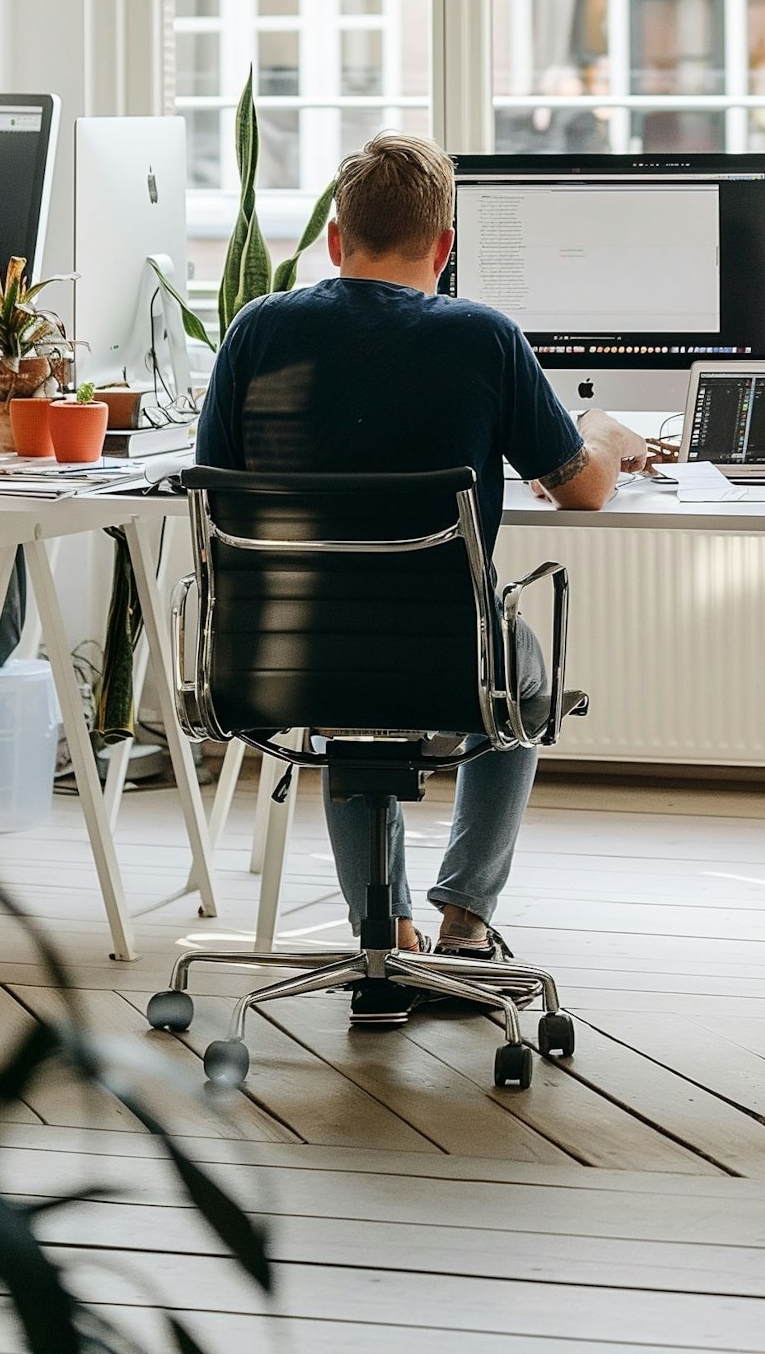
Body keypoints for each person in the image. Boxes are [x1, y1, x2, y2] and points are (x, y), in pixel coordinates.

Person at [196, 132, 647, 1020]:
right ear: (443, 251)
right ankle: (465, 919)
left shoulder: (257, 328)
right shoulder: (482, 335)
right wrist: (605, 432)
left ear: (334, 239)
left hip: (283, 647)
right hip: (450, 654)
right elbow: (583, 492)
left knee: (344, 704)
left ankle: (380, 930)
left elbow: (220, 492)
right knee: (520, 675)